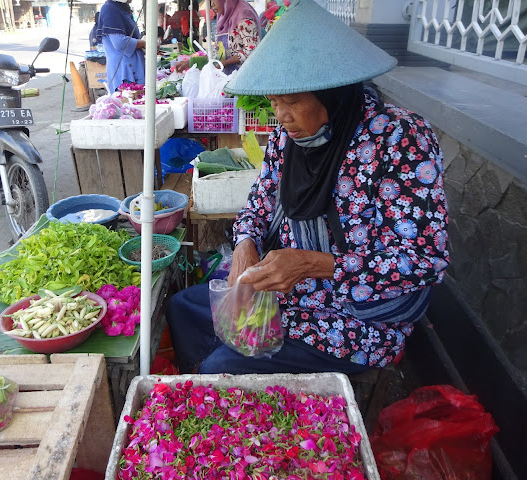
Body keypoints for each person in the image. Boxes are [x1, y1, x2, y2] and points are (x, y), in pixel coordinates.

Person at [166, 0, 450, 375]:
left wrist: (316, 265)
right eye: (274, 102)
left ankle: (220, 403)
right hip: (293, 287)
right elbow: (259, 203)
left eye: (294, 101)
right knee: (183, 308)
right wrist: (245, 244)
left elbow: (424, 260)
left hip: (358, 314)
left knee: (223, 369)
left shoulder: (401, 138)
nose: (282, 116)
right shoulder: (290, 136)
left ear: (332, 91)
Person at [176, 0, 261, 74]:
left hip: (244, 78)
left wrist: (224, 63)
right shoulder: (223, 17)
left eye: (214, 0)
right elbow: (217, 55)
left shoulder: (243, 15)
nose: (211, 5)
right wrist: (190, 63)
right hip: (228, 78)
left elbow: (252, 51)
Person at [96, 0, 145, 94]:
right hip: (124, 69)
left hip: (132, 66)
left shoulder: (121, 7)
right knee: (127, 104)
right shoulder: (110, 9)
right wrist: (144, 43)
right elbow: (120, 42)